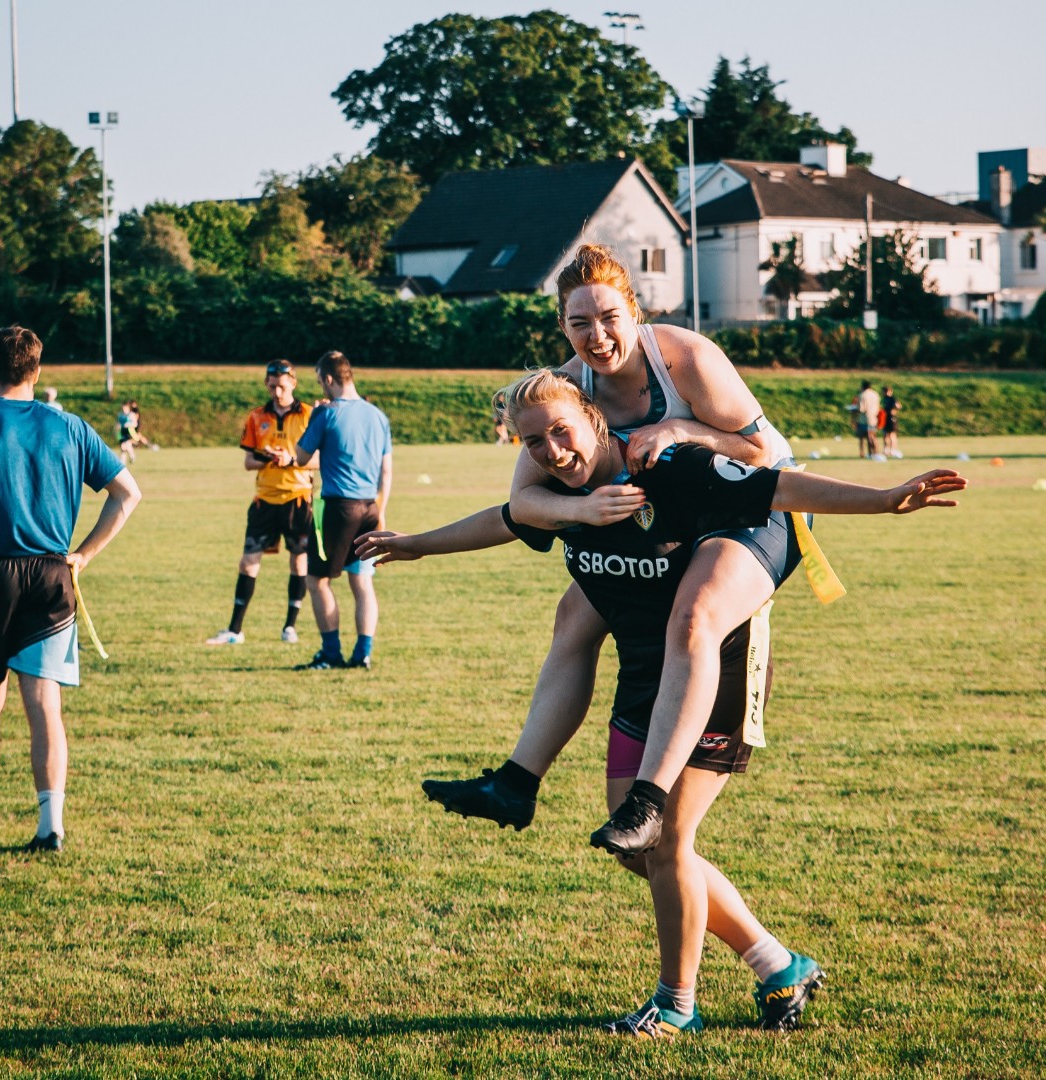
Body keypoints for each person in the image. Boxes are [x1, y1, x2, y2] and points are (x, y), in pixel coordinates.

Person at [356, 369, 966, 1034]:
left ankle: (676, 1005)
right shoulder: (559, 494)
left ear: (594, 419)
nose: (553, 451)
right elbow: (502, 522)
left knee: (670, 838)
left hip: (718, 670)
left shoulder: (667, 467)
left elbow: (780, 486)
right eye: (534, 443)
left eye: (561, 432)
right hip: (644, 677)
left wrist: (886, 498)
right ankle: (779, 964)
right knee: (638, 848)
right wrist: (415, 544)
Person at [420, 243, 810, 858]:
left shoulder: (683, 358)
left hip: (758, 504)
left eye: (608, 318)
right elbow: (523, 502)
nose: (596, 336)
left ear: (635, 312)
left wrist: (680, 429)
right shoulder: (569, 390)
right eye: (579, 323)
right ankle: (517, 783)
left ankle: (648, 799)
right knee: (574, 614)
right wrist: (578, 510)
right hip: (677, 508)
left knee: (696, 615)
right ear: (562, 326)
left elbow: (760, 455)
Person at [0, 326, 141, 852]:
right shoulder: (71, 426)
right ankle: (51, 828)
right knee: (43, 704)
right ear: (37, 373)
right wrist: (83, 554)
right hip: (51, 574)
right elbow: (127, 493)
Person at [206, 360, 315, 647]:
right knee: (248, 562)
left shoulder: (308, 415)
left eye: (282, 385)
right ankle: (235, 629)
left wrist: (290, 460)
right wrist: (267, 457)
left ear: (293, 382)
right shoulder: (257, 417)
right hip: (264, 500)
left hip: (298, 499)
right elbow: (248, 461)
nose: (277, 391)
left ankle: (290, 627)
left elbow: (320, 459)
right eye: (272, 386)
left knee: (299, 560)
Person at [294, 351, 392, 670]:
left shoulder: (326, 413)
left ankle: (331, 653)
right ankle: (363, 653)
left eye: (320, 381)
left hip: (338, 508)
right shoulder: (377, 415)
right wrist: (382, 509)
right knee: (361, 583)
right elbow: (386, 470)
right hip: (370, 507)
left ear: (329, 379)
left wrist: (313, 419)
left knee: (317, 580)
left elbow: (300, 456)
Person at [852, 380, 881, 460]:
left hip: (864, 419)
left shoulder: (862, 395)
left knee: (864, 437)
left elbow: (861, 409)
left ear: (863, 387)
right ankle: (876, 452)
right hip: (874, 418)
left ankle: (865, 453)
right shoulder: (875, 394)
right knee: (873, 436)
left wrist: (853, 409)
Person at [881, 385, 902, 458]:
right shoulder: (884, 399)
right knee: (885, 435)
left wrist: (894, 411)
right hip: (885, 418)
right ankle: (886, 449)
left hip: (891, 418)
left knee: (892, 435)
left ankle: (893, 449)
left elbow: (898, 406)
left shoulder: (892, 399)